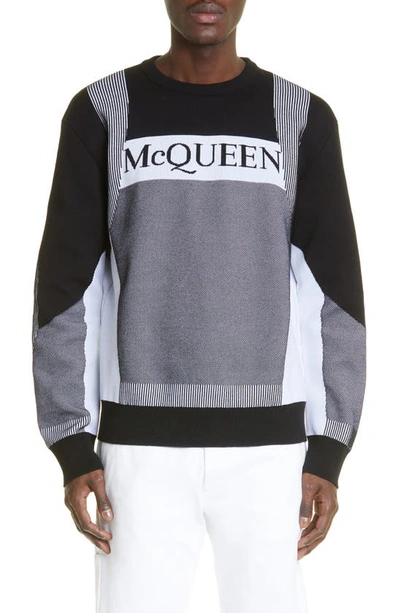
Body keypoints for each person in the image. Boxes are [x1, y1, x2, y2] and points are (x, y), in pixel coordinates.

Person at [31, 1, 367, 611]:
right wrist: (71, 442)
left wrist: (330, 444)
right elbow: (65, 285)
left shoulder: (300, 117)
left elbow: (334, 291)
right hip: (137, 451)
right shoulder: (102, 111)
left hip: (271, 452)